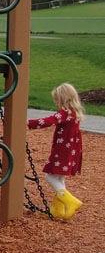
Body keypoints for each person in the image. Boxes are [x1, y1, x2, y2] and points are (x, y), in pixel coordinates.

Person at [28, 82, 85, 220]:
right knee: (59, 177)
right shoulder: (74, 112)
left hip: (63, 150)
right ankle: (58, 209)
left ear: (63, 99)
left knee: (50, 177)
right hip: (71, 149)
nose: (56, 103)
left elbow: (49, 120)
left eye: (57, 100)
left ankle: (70, 201)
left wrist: (29, 123)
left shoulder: (64, 113)